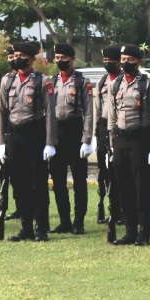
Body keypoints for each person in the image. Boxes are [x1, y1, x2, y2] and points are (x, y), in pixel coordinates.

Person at [0, 41, 57, 242]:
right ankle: (26, 227)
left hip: (35, 135)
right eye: (16, 55)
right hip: (14, 135)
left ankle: (41, 228)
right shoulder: (7, 80)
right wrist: (1, 141)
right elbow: (2, 111)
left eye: (22, 56)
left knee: (37, 184)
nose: (18, 59)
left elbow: (50, 113)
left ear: (31, 59)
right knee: (19, 183)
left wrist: (50, 142)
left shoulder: (42, 81)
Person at [107, 43, 150, 246]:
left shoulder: (148, 83)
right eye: (123, 60)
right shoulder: (115, 84)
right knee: (124, 186)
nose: (126, 63)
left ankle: (144, 230)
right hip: (121, 140)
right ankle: (130, 230)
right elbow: (112, 116)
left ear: (139, 61)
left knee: (141, 186)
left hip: (140, 139)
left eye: (130, 59)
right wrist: (112, 144)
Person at [47, 44, 94, 235]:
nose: (60, 61)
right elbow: (47, 111)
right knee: (57, 180)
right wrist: (48, 140)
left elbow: (88, 112)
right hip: (57, 132)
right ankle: (64, 220)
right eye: (57, 57)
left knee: (79, 179)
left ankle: (79, 221)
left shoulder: (82, 81)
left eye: (64, 58)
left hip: (75, 130)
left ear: (72, 59)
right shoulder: (52, 81)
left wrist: (87, 139)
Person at [94, 46, 122, 227]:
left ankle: (121, 209)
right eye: (105, 61)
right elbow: (97, 109)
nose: (108, 63)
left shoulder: (124, 80)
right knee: (104, 171)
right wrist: (96, 133)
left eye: (111, 60)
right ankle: (109, 207)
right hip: (104, 127)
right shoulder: (102, 81)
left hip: (119, 126)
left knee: (119, 171)